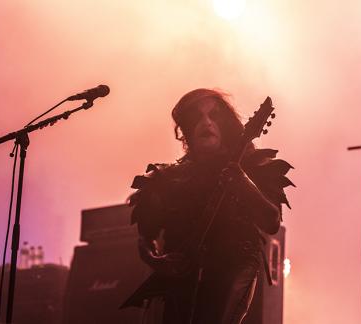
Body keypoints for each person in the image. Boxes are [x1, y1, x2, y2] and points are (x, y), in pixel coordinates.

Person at [125, 88, 294, 324]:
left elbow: (272, 220)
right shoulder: (167, 178)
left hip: (233, 265)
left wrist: (242, 181)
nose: (207, 122)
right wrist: (157, 260)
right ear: (185, 128)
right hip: (181, 276)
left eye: (214, 116)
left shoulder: (253, 165)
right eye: (197, 117)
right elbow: (146, 236)